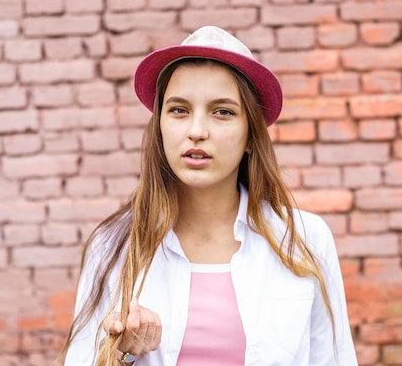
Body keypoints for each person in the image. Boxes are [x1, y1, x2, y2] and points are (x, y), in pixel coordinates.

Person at [58, 26, 358, 366]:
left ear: (250, 136)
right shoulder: (113, 246)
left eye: (223, 112)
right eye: (179, 110)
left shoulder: (304, 240)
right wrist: (121, 354)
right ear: (159, 127)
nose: (196, 131)